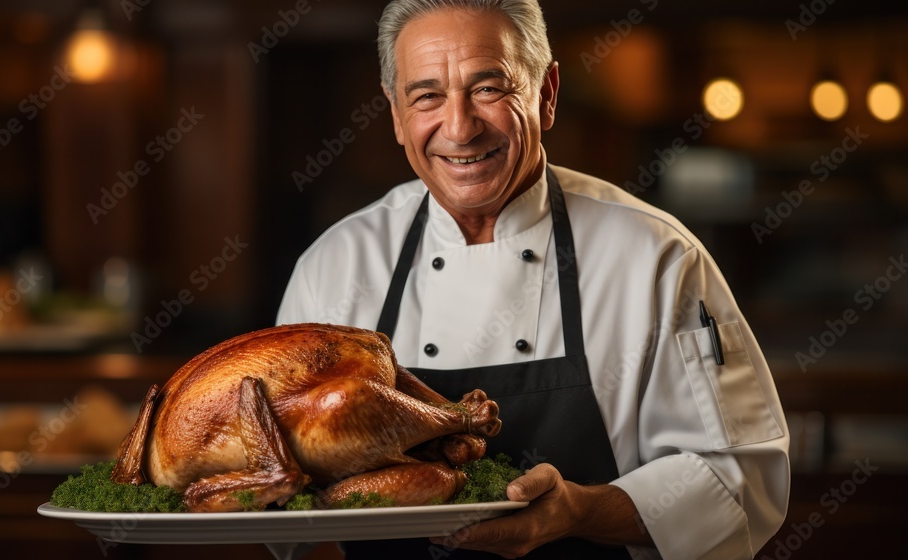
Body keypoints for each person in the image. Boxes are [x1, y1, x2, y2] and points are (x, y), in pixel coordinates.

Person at [275, 0, 790, 558]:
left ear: (546, 94)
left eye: (488, 89)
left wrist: (578, 512)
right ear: (396, 114)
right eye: (426, 96)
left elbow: (739, 481)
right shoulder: (336, 264)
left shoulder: (655, 257)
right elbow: (283, 488)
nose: (459, 127)